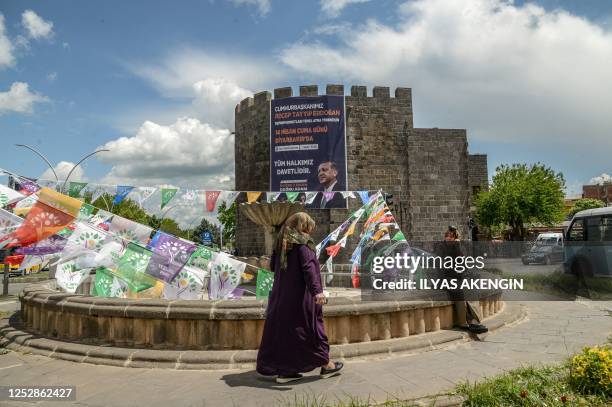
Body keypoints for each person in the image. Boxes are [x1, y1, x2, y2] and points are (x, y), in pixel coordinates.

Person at [256, 212, 343, 383]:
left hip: (280, 299)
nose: (310, 231)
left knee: (286, 335)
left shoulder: (281, 246)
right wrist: (317, 291)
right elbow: (308, 269)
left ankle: (286, 372)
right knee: (310, 331)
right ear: (303, 227)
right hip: (300, 300)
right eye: (309, 227)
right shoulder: (303, 246)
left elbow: (273, 267)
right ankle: (327, 365)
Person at [437, 226, 488, 334]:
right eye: (448, 236)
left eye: (452, 236)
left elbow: (462, 264)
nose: (450, 238)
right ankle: (464, 323)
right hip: (445, 278)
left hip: (456, 277)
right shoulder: (441, 247)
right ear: (445, 237)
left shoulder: (457, 247)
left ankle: (475, 322)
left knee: (470, 289)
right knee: (459, 291)